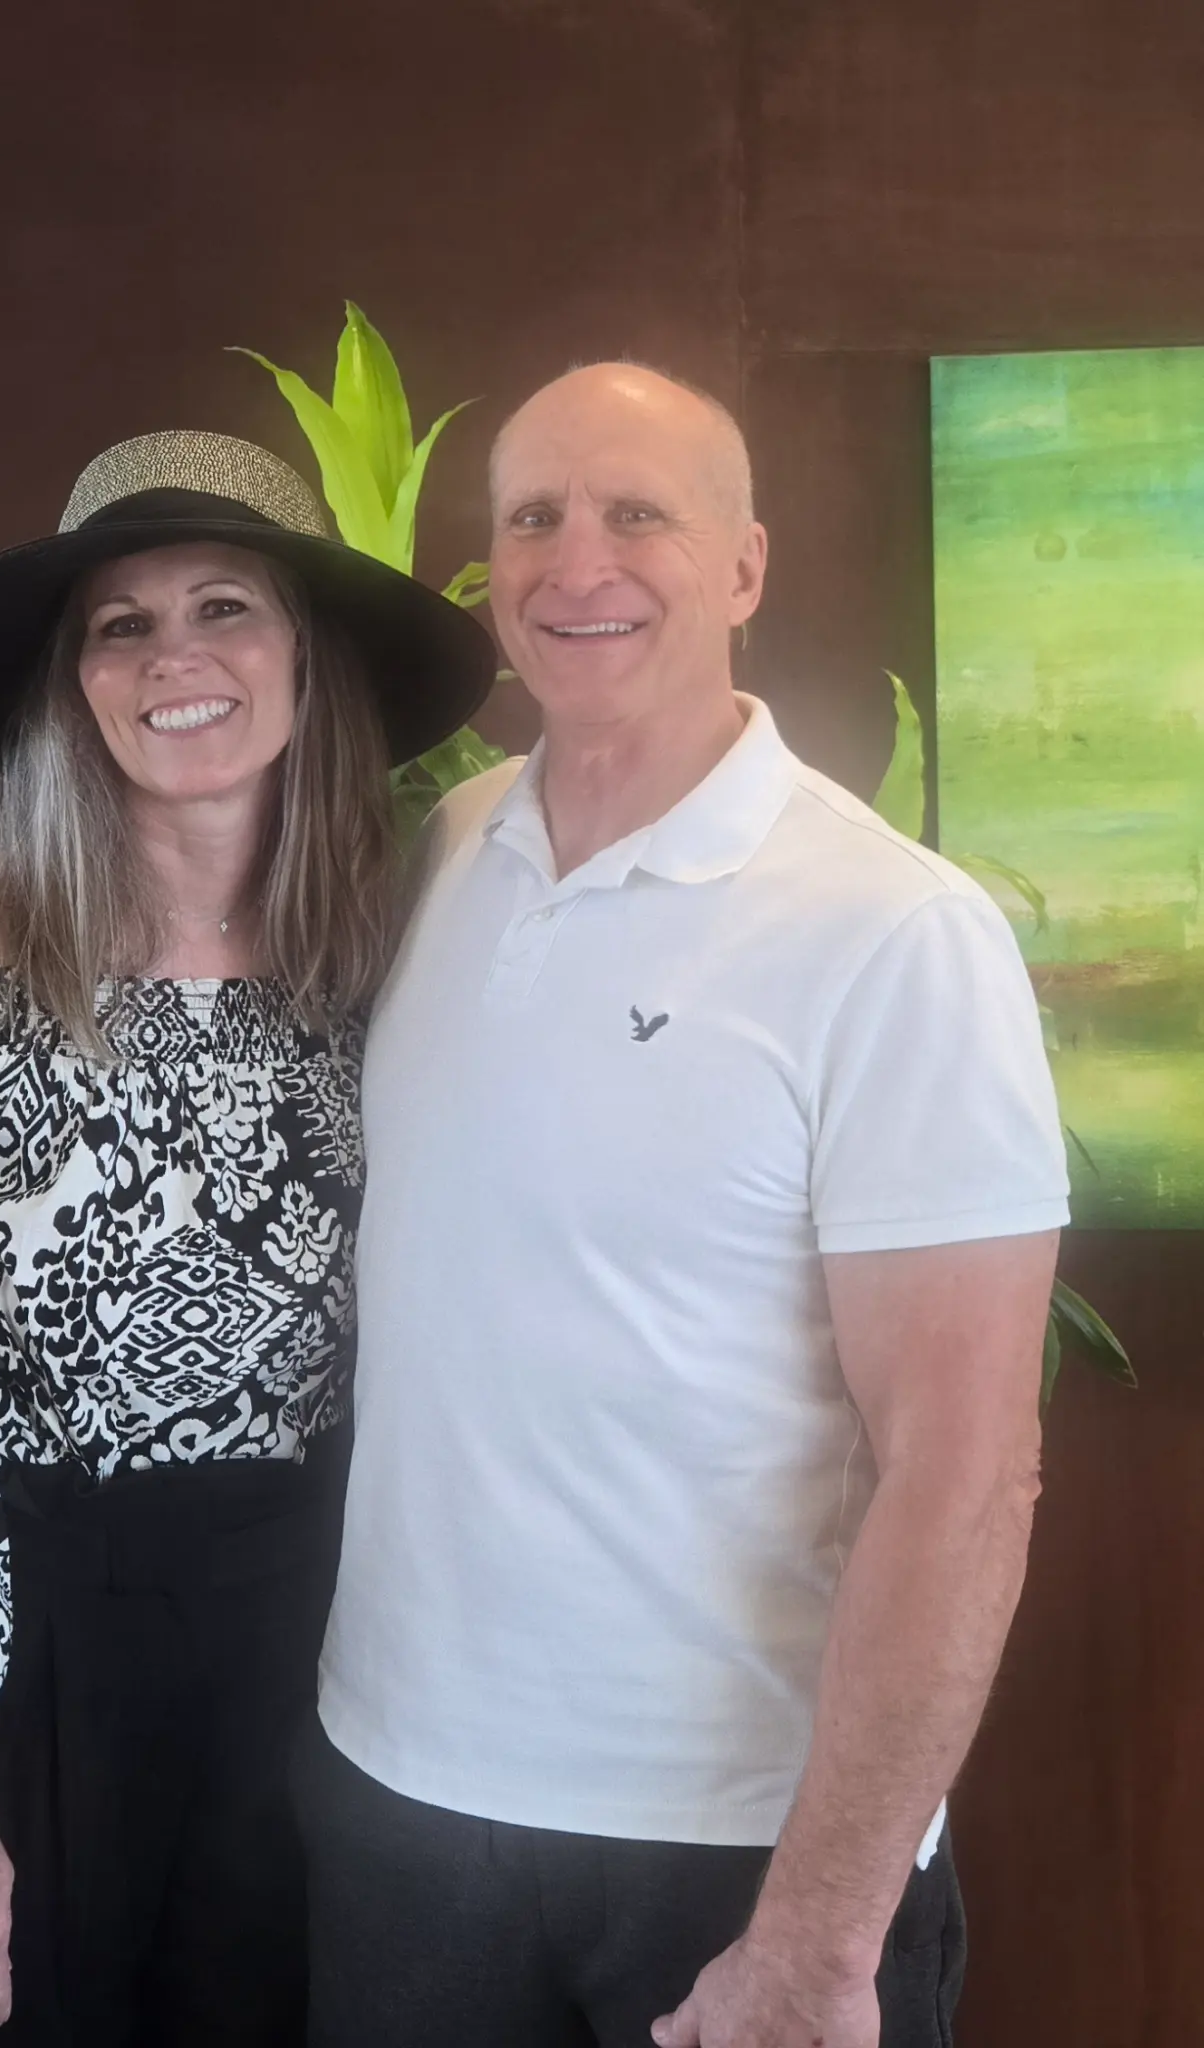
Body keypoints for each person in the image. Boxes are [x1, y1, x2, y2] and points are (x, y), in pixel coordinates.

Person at [298, 365, 1070, 2048]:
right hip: (399, 1800)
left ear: (744, 568)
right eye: (533, 518)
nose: (579, 562)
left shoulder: (894, 933)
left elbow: (970, 1463)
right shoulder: (439, 853)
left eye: (638, 511)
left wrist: (819, 1936)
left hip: (732, 1847)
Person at [0, 429, 495, 2044]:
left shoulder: (404, 951)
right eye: (119, 625)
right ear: (71, 685)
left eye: (227, 606)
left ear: (307, 657)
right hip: (18, 1661)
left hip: (337, 1661)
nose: (175, 658)